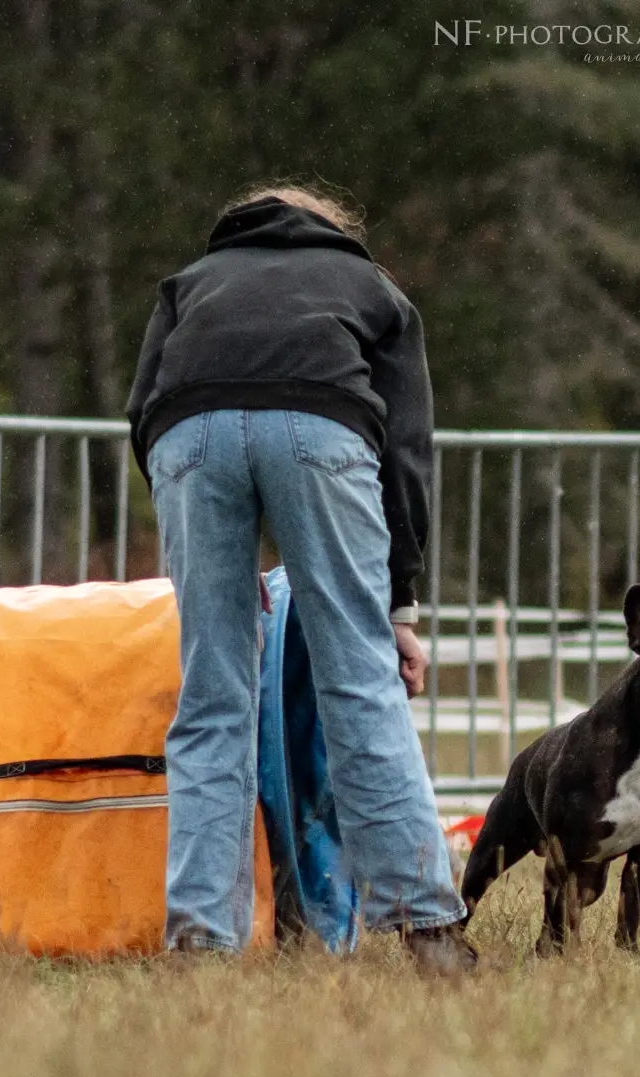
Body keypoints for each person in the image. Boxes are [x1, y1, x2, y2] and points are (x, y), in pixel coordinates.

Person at [125, 183, 475, 974]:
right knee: (358, 680)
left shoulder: (191, 284)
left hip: (188, 435)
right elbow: (408, 454)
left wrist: (208, 557)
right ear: (331, 227)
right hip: (322, 426)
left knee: (212, 696)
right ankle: (428, 932)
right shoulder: (368, 286)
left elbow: (143, 414)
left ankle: (201, 940)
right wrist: (399, 606)